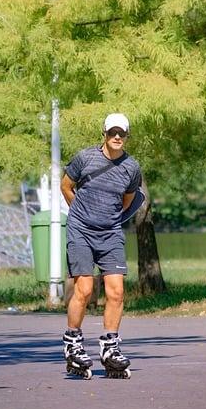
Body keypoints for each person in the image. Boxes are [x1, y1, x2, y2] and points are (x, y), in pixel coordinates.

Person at [60, 113, 142, 379]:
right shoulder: (85, 158)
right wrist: (80, 214)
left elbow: (129, 199)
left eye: (122, 133)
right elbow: (66, 186)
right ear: (104, 134)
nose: (117, 137)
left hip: (110, 233)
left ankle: (110, 347)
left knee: (117, 292)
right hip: (81, 230)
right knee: (84, 289)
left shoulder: (132, 168)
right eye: (112, 132)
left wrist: (109, 218)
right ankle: (72, 343)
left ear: (127, 136)